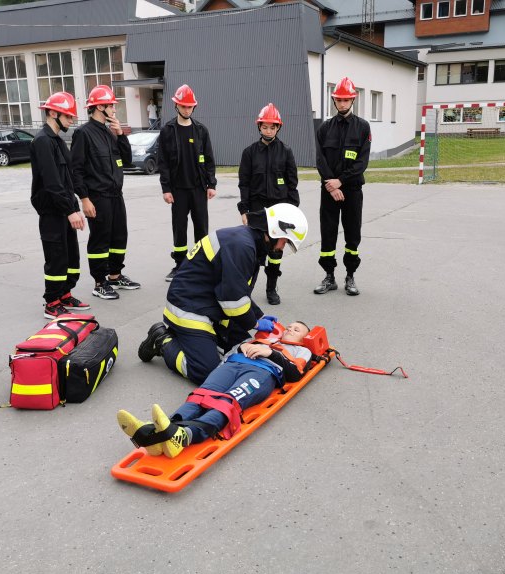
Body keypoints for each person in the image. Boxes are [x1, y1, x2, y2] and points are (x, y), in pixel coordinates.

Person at [137, 203, 308, 385]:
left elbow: (237, 290)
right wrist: (255, 323)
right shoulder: (242, 246)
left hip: (209, 302)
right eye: (285, 241)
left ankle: (192, 340)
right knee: (207, 372)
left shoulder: (247, 241)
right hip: (190, 308)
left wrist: (259, 315)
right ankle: (162, 341)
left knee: (246, 345)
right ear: (276, 231)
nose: (282, 247)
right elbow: (232, 299)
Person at [119, 321, 312, 458]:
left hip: (262, 373)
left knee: (226, 403)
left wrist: (271, 353)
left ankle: (186, 436)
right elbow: (228, 355)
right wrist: (242, 347)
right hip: (233, 365)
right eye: (289, 327)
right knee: (200, 395)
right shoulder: (261, 340)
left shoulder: (302, 350)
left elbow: (296, 373)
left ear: (304, 338)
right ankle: (159, 432)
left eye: (296, 330)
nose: (290, 329)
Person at [70, 84, 140, 301]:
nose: (114, 109)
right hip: (97, 197)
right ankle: (100, 282)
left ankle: (115, 275)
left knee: (119, 236)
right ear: (100, 107)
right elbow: (76, 169)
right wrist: (84, 199)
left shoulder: (110, 133)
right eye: (111, 105)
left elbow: (127, 160)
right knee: (100, 239)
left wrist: (120, 134)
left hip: (116, 195)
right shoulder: (83, 133)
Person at [29, 91, 88, 319]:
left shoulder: (58, 141)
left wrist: (75, 206)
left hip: (65, 208)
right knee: (56, 256)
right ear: (53, 113)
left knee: (70, 256)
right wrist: (69, 210)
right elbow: (52, 182)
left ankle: (65, 294)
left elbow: (67, 180)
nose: (71, 120)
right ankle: (52, 302)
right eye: (68, 116)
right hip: (52, 210)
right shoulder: (43, 141)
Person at [313, 76, 371, 296]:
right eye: (339, 99)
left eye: (346, 100)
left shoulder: (362, 127)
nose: (342, 103)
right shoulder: (324, 128)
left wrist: (341, 181)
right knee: (328, 233)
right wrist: (332, 184)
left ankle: (350, 276)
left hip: (352, 189)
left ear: (353, 100)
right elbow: (320, 160)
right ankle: (329, 277)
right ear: (334, 100)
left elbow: (362, 162)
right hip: (329, 190)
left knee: (352, 234)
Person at [237, 103, 300, 305]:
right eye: (265, 127)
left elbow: (292, 184)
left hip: (280, 208)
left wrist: (292, 211)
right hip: (257, 209)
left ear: (278, 127)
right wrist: (244, 210)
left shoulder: (286, 152)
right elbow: (244, 184)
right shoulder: (249, 153)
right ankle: (246, 291)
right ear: (259, 126)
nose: (268, 131)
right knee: (256, 251)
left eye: (272, 127)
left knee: (276, 251)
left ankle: (271, 289)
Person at [157, 84, 217, 282]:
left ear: (194, 107)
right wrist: (166, 189)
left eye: (190, 106)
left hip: (198, 188)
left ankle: (201, 264)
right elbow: (163, 163)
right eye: (183, 106)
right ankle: (180, 265)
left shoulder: (201, 130)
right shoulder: (167, 131)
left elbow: (209, 159)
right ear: (176, 106)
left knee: (201, 227)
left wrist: (211, 184)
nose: (187, 109)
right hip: (178, 190)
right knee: (179, 228)